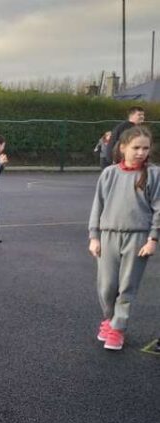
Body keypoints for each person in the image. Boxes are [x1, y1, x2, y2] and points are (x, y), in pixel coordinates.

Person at [88, 126, 160, 351]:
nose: (141, 152)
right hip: (108, 236)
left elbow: (158, 208)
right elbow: (97, 206)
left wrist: (153, 239)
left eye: (145, 148)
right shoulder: (109, 173)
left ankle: (118, 329)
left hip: (137, 239)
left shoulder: (154, 174)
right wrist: (94, 236)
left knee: (127, 286)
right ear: (123, 147)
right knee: (107, 286)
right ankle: (109, 319)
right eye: (136, 147)